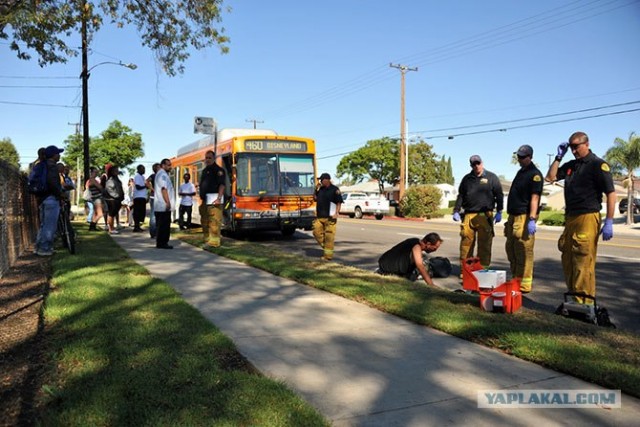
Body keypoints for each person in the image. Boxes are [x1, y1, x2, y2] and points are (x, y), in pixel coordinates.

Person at [545, 131, 616, 303]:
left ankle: (585, 303)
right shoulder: (571, 166)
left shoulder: (598, 165)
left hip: (587, 216)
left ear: (587, 144)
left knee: (582, 261)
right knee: (568, 259)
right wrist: (558, 157)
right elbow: (550, 177)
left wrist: (609, 221)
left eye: (577, 146)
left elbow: (611, 193)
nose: (574, 150)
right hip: (571, 217)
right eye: (571, 147)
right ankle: (573, 299)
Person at [452, 155, 504, 271]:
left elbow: (499, 195)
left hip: (484, 215)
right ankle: (466, 272)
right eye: (473, 164)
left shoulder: (492, 177)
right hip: (469, 215)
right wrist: (456, 210)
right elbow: (461, 195)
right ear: (471, 165)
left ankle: (482, 271)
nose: (476, 166)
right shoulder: (467, 179)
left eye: (478, 163)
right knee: (466, 245)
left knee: (484, 245)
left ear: (482, 163)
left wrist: (499, 211)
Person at [505, 145, 543, 294]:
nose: (520, 159)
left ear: (530, 157)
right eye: (519, 156)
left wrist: (532, 219)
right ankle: (516, 278)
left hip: (525, 216)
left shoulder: (535, 174)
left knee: (523, 251)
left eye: (522, 157)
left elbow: (535, 198)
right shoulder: (521, 172)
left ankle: (524, 283)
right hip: (513, 216)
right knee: (511, 249)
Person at [377, 233, 443, 287]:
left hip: (384, 264)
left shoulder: (414, 240)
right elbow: (420, 266)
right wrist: (431, 285)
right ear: (428, 244)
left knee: (421, 260)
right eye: (435, 248)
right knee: (418, 268)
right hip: (388, 271)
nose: (435, 250)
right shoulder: (417, 247)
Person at [34, 145, 64, 256]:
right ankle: (45, 248)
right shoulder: (52, 166)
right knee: (50, 225)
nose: (59, 155)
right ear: (53, 155)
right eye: (58, 153)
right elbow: (52, 182)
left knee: (44, 224)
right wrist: (59, 193)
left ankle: (38, 247)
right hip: (51, 198)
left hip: (42, 198)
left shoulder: (42, 165)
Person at [312, 173, 343, 260]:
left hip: (330, 218)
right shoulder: (320, 189)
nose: (320, 181)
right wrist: (315, 189)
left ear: (327, 180)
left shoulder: (335, 189)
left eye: (321, 180)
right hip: (320, 217)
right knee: (316, 232)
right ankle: (327, 248)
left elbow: (339, 202)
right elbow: (314, 198)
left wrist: (337, 213)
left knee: (329, 237)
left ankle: (327, 256)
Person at [198, 150, 226, 248]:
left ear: (214, 158)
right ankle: (207, 240)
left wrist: (219, 198)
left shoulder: (219, 170)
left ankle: (214, 243)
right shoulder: (205, 171)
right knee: (205, 221)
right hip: (205, 200)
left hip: (214, 200)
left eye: (210, 158)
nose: (208, 160)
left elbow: (222, 185)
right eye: (206, 158)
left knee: (214, 221)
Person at [154, 158, 175, 249]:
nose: (170, 167)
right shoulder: (162, 175)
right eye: (168, 165)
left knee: (161, 225)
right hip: (163, 205)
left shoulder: (161, 174)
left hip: (160, 205)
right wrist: (168, 202)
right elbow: (164, 189)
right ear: (163, 165)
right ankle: (163, 243)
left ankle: (160, 242)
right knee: (164, 225)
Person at [104, 165, 125, 235]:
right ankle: (111, 228)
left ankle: (112, 227)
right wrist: (117, 196)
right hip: (111, 200)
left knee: (113, 214)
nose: (117, 171)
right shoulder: (110, 180)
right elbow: (110, 189)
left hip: (117, 200)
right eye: (116, 170)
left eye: (117, 170)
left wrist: (122, 196)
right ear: (112, 172)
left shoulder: (116, 179)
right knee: (111, 214)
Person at [85, 167, 104, 231]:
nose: (96, 173)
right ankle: (92, 226)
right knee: (100, 214)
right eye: (95, 172)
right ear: (91, 172)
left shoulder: (90, 180)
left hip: (94, 198)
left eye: (97, 172)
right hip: (97, 198)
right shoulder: (93, 180)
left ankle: (93, 227)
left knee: (95, 213)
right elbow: (100, 187)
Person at [132, 164, 148, 232]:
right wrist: (145, 186)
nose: (144, 170)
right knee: (137, 212)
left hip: (142, 197)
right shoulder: (137, 176)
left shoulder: (143, 177)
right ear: (138, 169)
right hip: (138, 197)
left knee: (141, 212)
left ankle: (138, 226)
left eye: (144, 169)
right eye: (143, 169)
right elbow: (138, 187)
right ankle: (136, 226)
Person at [147, 163, 160, 238]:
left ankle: (154, 232)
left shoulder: (153, 176)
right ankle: (153, 232)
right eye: (159, 167)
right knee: (154, 215)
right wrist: (153, 189)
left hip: (153, 197)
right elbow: (146, 182)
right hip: (155, 197)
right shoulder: (155, 176)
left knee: (154, 215)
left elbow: (147, 182)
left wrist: (151, 189)